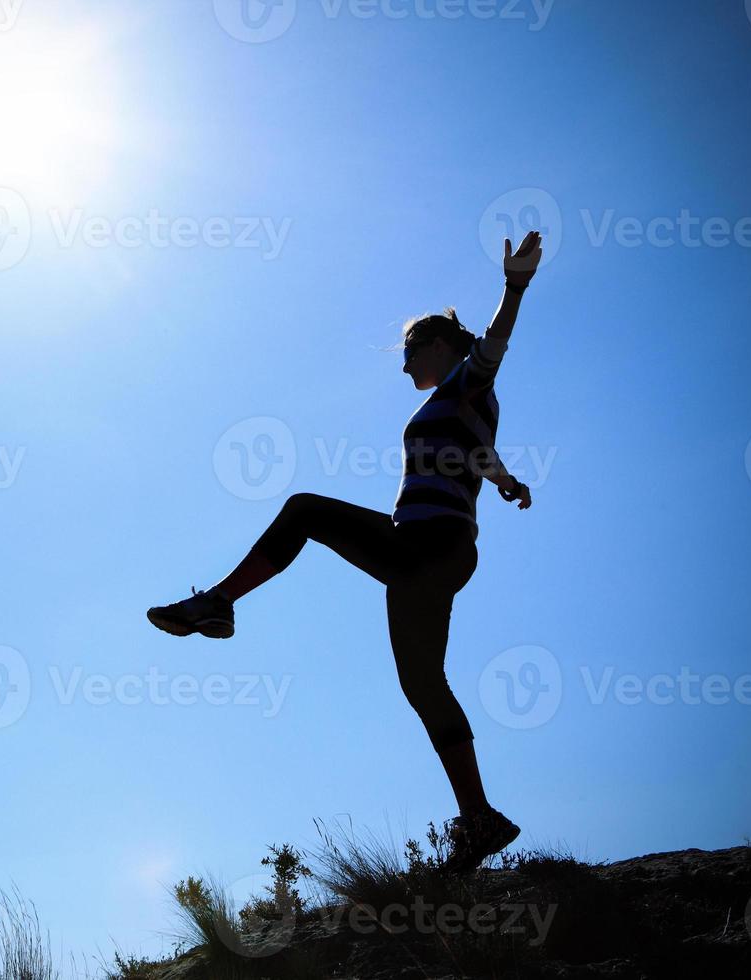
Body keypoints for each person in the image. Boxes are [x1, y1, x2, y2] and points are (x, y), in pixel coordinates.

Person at [147, 232, 544, 874]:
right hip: (434, 559)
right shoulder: (463, 406)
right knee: (422, 684)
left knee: (304, 509)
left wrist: (515, 287)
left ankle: (216, 603)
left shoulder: (471, 380)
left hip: (424, 545)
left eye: (412, 348)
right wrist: (504, 480)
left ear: (444, 345)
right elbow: (480, 450)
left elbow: (494, 348)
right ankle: (479, 819)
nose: (404, 363)